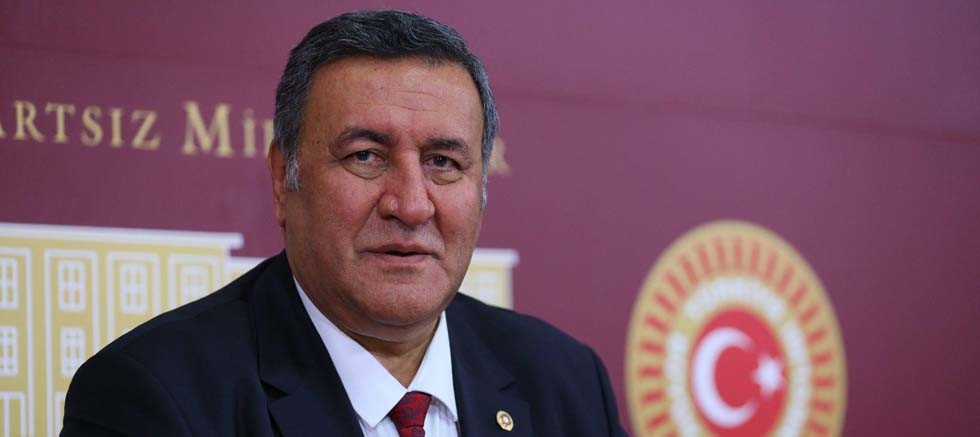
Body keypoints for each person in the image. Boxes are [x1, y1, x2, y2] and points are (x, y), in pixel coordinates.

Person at [62, 10, 628, 437]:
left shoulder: (566, 382)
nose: (411, 205)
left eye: (443, 162)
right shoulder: (154, 397)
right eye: (365, 156)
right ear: (284, 178)